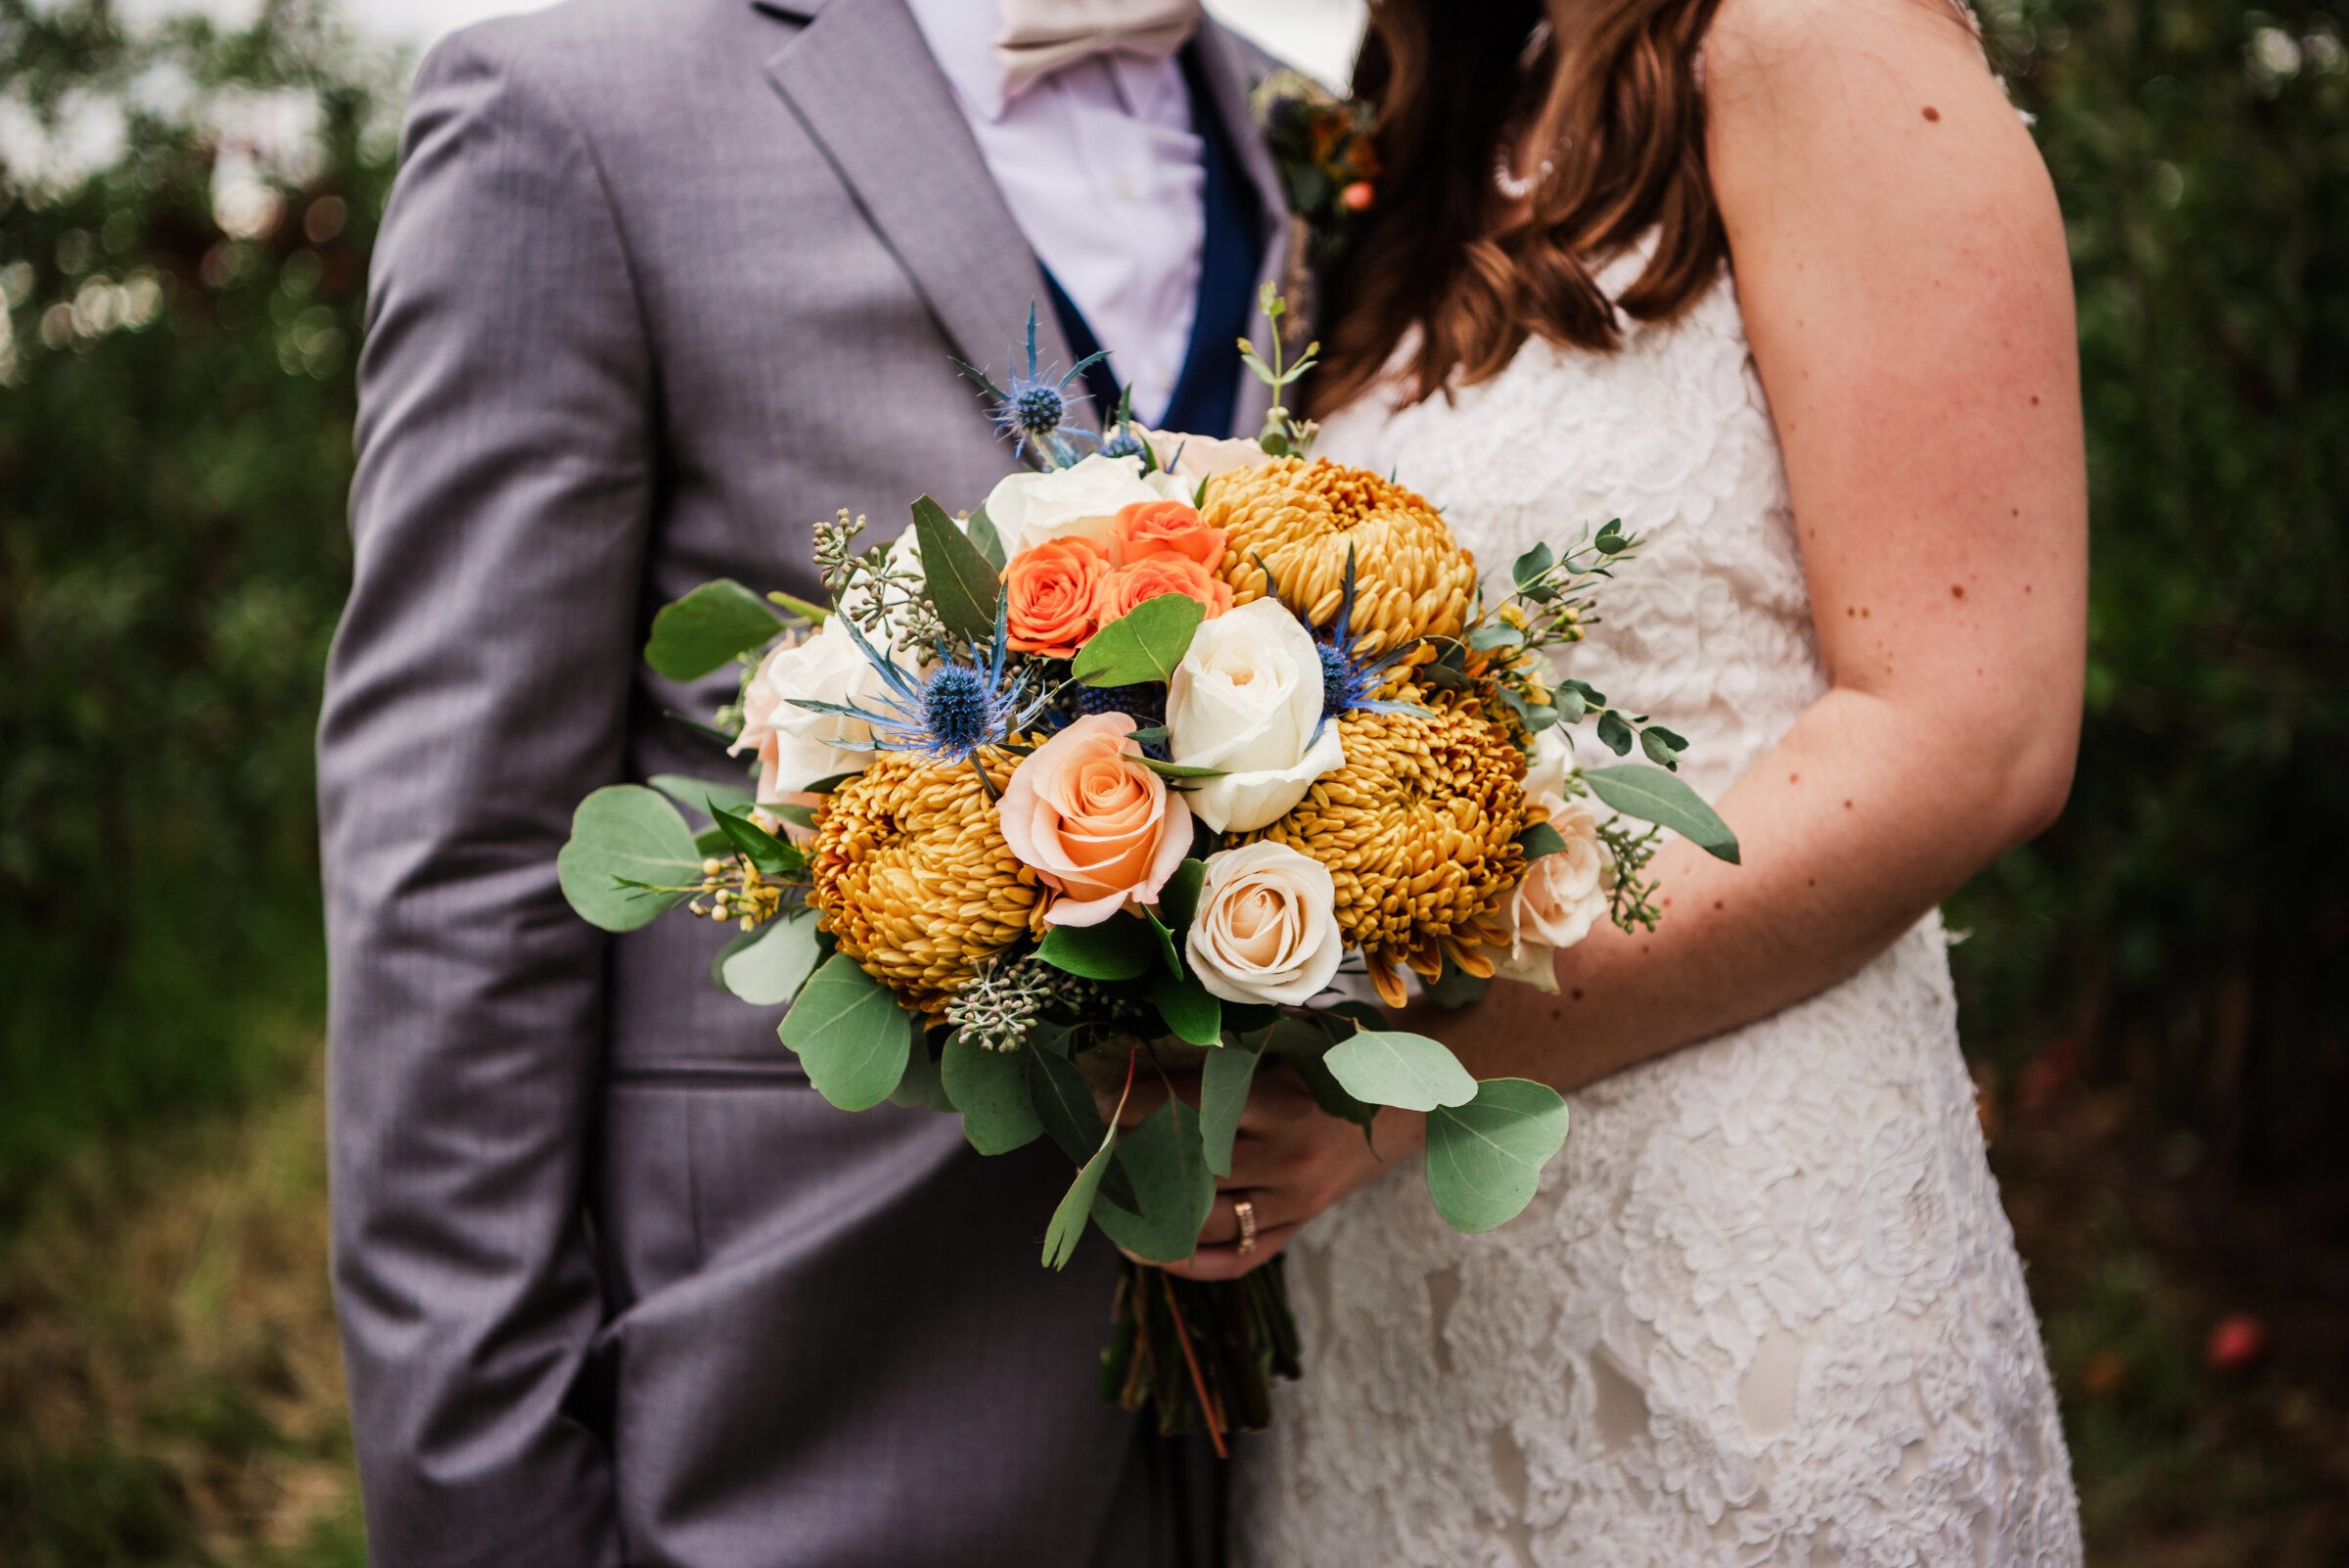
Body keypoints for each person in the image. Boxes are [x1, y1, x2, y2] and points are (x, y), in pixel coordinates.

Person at [315, 1, 1290, 1562]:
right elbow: (453, 874)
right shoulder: (567, 116)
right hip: (778, 1437)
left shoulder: (1317, 131)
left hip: (1284, 1472)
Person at [1191, 0, 2092, 1560]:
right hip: (1398, 1354)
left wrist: (1421, 1074)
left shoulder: (1823, 40)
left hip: (1729, 1310)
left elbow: (1969, 736)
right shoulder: (1440, 129)